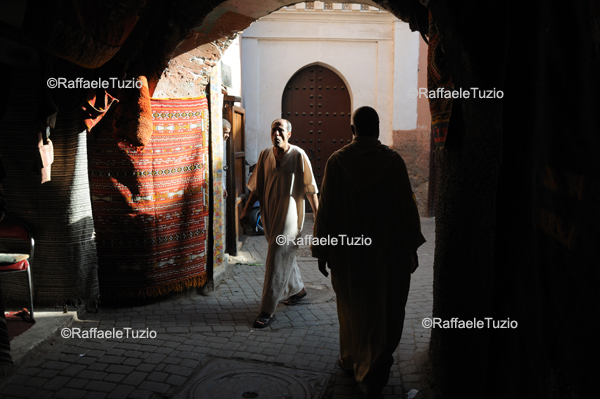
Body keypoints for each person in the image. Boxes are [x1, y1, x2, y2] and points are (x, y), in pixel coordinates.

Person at [312, 106, 425, 398]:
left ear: (352, 131)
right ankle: (371, 368)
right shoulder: (393, 162)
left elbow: (325, 211)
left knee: (352, 310)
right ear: (376, 129)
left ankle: (352, 360)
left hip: (349, 258)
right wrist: (411, 246)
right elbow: (407, 208)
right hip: (385, 256)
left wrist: (323, 251)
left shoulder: (337, 162)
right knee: (383, 309)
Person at [240, 119, 319, 328]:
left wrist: (319, 218)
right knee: (282, 253)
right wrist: (246, 210)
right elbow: (256, 188)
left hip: (290, 219)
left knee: (275, 256)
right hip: (270, 215)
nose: (276, 133)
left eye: (281, 130)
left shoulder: (299, 156)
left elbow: (311, 190)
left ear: (289, 134)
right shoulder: (265, 155)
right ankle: (298, 290)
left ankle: (267, 309)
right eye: (273, 129)